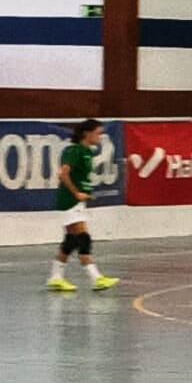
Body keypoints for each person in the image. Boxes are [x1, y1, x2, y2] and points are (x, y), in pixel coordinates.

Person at [47, 119, 118, 293]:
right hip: (69, 200)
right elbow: (63, 174)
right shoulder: (74, 150)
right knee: (83, 238)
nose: (100, 137)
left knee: (71, 240)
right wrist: (76, 193)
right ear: (87, 133)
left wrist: (85, 193)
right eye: (98, 133)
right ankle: (96, 278)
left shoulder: (87, 152)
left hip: (77, 201)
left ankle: (56, 277)